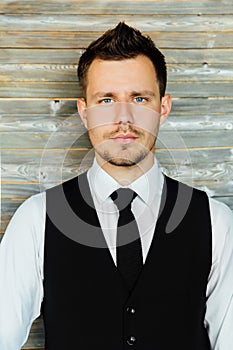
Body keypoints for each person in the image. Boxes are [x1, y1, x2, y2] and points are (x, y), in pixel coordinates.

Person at [0, 22, 233, 350]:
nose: (124, 117)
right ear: (84, 112)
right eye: (106, 100)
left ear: (162, 108)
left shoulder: (216, 223)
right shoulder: (36, 221)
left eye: (139, 98)